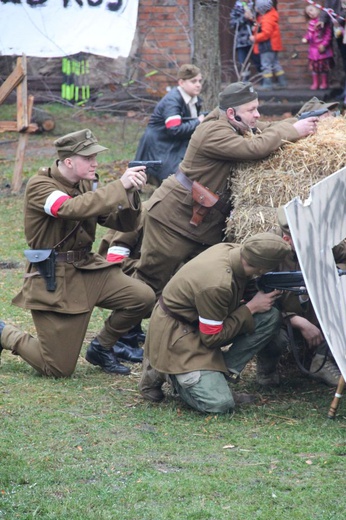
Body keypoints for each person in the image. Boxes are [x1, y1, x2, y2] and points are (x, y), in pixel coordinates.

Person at [132, 81, 319, 300]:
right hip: (172, 220)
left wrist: (298, 122)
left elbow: (267, 129)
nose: (257, 115)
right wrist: (293, 130)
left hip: (201, 222)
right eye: (251, 110)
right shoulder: (214, 131)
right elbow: (254, 148)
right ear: (231, 113)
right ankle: (118, 334)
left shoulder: (235, 125)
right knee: (149, 281)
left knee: (204, 281)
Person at [0, 129, 155, 378]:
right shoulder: (40, 186)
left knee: (142, 297)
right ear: (69, 161)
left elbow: (121, 223)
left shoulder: (84, 184)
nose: (95, 163)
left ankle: (101, 347)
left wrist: (130, 193)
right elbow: (69, 208)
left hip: (87, 267)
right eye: (89, 158)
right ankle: (4, 333)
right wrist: (118, 186)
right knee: (58, 368)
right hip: (55, 277)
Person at [139, 233, 291, 413]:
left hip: (200, 323)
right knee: (219, 404)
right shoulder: (217, 284)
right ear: (262, 268)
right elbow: (211, 338)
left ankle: (215, 375)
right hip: (178, 333)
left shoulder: (231, 250)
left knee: (270, 317)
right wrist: (251, 308)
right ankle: (170, 373)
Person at [272, 206, 343, 386]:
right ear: (287, 239)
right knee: (268, 328)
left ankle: (321, 358)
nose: (314, 244)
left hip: (317, 312)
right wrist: (295, 320)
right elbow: (256, 301)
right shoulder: (267, 251)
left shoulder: (320, 240)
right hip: (283, 318)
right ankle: (268, 370)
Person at [134, 64, 205, 184]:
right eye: (193, 81)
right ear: (181, 83)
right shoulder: (173, 101)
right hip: (160, 144)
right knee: (174, 179)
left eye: (199, 81)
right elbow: (175, 129)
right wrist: (198, 122)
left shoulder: (193, 98)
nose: (198, 84)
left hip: (173, 143)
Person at [249, 0, 287, 90]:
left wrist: (255, 37)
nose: (255, 8)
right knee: (275, 64)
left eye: (257, 7)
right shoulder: (268, 16)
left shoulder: (266, 19)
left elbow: (266, 34)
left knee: (266, 65)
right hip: (272, 45)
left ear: (262, 9)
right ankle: (282, 82)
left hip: (267, 46)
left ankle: (267, 84)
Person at [302, 3, 334, 90]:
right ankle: (315, 83)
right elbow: (310, 34)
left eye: (311, 10)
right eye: (308, 13)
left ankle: (324, 83)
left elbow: (328, 35)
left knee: (323, 67)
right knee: (314, 67)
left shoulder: (323, 21)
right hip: (313, 50)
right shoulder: (310, 23)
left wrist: (324, 44)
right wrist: (306, 38)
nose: (310, 13)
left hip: (321, 49)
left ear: (317, 9)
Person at [230, 0, 261, 81]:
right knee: (242, 63)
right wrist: (244, 17)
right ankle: (244, 82)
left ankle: (264, 80)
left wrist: (253, 20)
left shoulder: (255, 7)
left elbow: (260, 21)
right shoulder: (236, 10)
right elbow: (233, 24)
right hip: (241, 42)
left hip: (254, 40)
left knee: (258, 61)